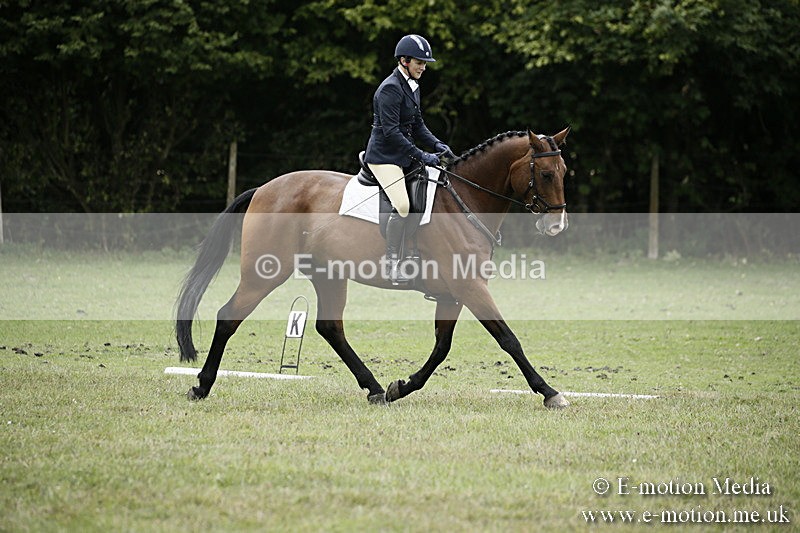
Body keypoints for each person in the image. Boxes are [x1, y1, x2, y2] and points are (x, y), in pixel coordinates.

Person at [364, 34, 455, 284]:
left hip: (402, 155)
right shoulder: (390, 89)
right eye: (419, 63)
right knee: (403, 205)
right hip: (384, 157)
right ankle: (391, 261)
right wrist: (423, 155)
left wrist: (437, 145)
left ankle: (414, 252)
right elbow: (392, 133)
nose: (423, 68)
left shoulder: (412, 85)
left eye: (425, 64)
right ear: (404, 61)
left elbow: (417, 125)